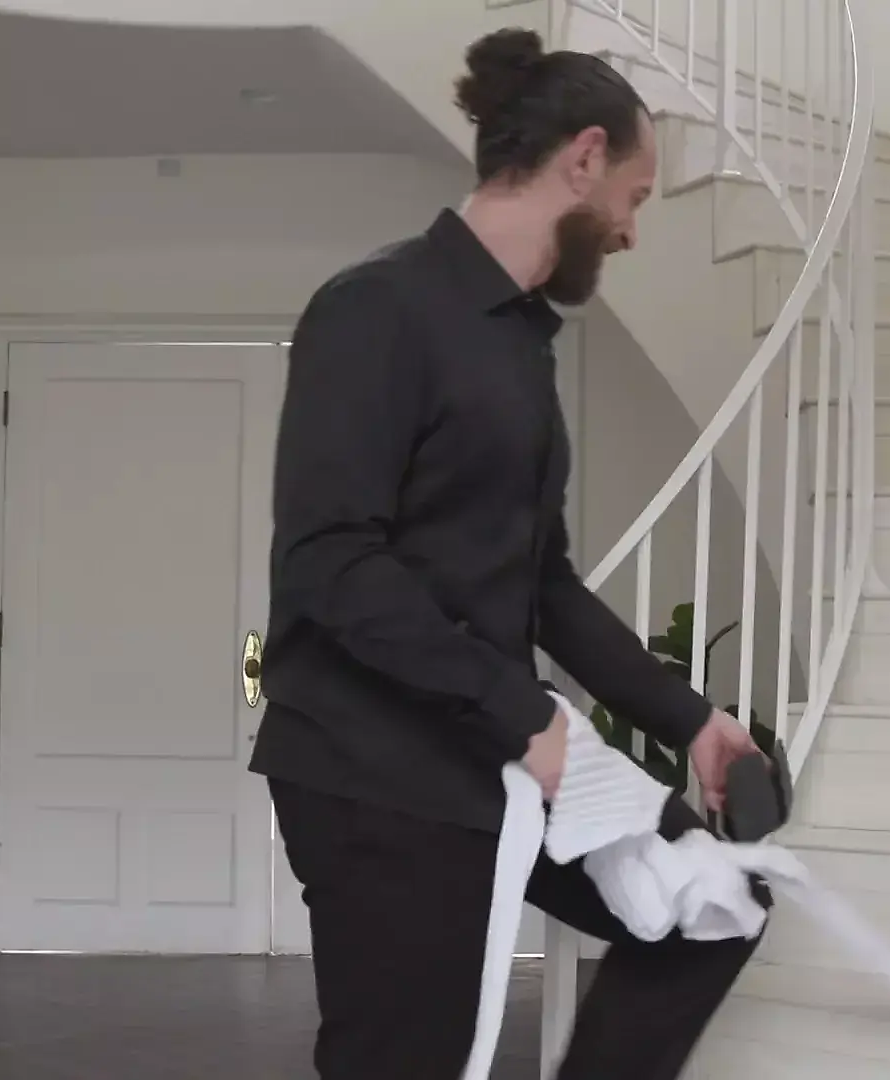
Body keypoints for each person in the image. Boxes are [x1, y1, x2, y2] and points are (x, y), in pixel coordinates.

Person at [249, 25, 766, 1080]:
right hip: (374, 774)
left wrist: (692, 721)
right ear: (584, 157)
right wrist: (525, 715)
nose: (630, 230)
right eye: (634, 195)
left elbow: (543, 584)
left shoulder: (518, 342)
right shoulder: (377, 308)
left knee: (715, 899)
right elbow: (330, 561)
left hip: (489, 748)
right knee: (409, 1060)